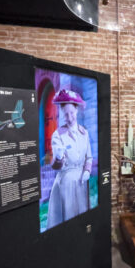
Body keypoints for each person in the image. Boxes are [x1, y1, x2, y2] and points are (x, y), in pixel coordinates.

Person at [46, 89, 92, 228]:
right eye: (66, 115)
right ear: (62, 114)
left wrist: (87, 172)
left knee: (83, 221)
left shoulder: (84, 133)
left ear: (76, 111)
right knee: (68, 222)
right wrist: (59, 158)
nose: (70, 117)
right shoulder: (58, 135)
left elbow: (89, 157)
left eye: (71, 113)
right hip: (65, 184)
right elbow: (56, 166)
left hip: (82, 183)